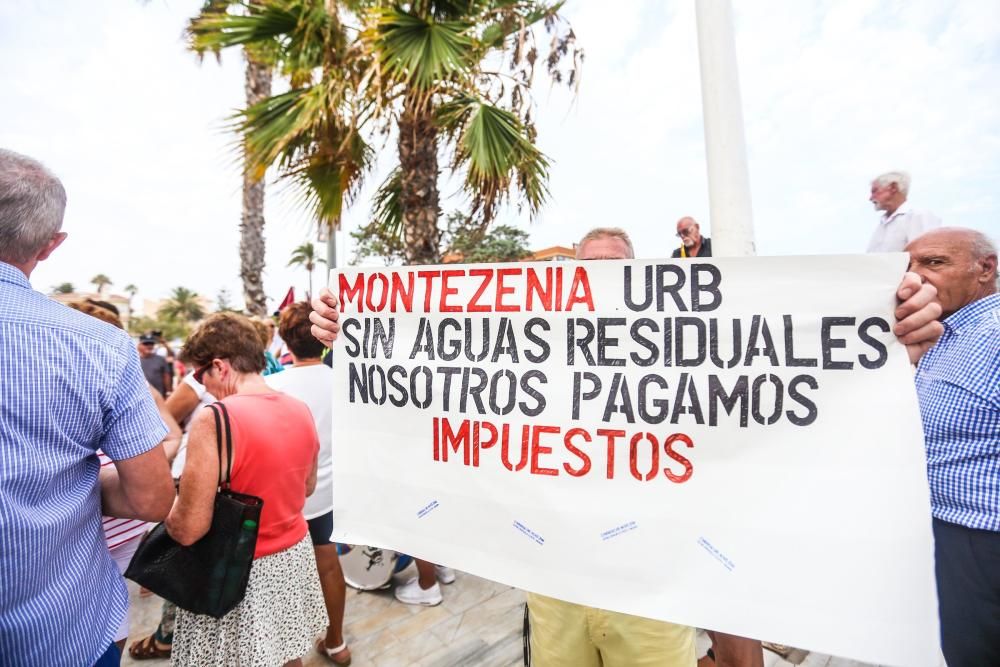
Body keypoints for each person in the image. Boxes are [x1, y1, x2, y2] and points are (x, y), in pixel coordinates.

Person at [308, 228, 944, 667]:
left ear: (643, 279)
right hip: (553, 593)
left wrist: (888, 345)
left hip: (652, 596)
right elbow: (437, 381)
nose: (603, 282)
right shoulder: (540, 361)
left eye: (618, 272)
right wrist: (356, 332)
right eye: (591, 271)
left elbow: (772, 392)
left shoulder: (682, 360)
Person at [0, 148, 175, 667]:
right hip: (60, 630)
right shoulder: (99, 347)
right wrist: (58, 483)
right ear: (51, 246)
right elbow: (151, 500)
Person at [165, 312, 328, 666]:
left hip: (240, 569)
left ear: (220, 367)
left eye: (199, 374)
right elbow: (308, 487)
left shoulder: (217, 418)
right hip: (292, 556)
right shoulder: (299, 408)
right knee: (287, 653)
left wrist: (165, 510)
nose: (202, 385)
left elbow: (190, 528)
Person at [905, 227, 999, 666]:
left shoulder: (994, 335)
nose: (916, 276)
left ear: (986, 268)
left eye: (934, 262)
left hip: (982, 539)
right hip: (945, 535)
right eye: (909, 265)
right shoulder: (943, 336)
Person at [68, 299, 183, 655]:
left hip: (123, 531)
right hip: (77, 534)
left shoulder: (137, 389)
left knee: (112, 622)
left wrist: (131, 472)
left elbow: (172, 436)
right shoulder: (55, 385)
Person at [265, 302, 351, 665]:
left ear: (284, 339)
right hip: (329, 493)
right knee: (329, 564)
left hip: (283, 498)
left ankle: (289, 657)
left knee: (281, 578)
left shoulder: (271, 386)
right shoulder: (345, 381)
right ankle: (336, 643)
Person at [867, 170, 941, 252]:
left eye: (874, 191)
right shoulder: (882, 223)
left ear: (893, 188)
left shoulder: (918, 215)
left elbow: (926, 253)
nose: (871, 198)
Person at [139, 332, 174, 397]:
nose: (149, 346)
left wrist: (169, 392)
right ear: (139, 345)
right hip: (141, 397)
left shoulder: (161, 359)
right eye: (146, 344)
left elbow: (166, 376)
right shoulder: (135, 360)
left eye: (151, 344)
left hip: (159, 396)